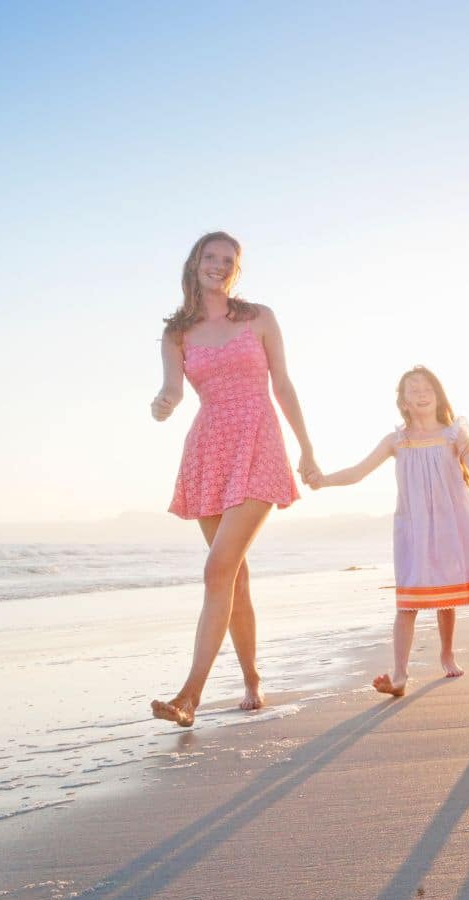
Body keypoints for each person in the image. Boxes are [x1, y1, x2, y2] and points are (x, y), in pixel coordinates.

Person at [148, 231, 319, 727]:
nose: (218, 266)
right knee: (234, 576)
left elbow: (282, 384)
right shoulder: (176, 333)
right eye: (211, 257)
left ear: (236, 269)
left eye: (229, 260)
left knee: (216, 570)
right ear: (195, 262)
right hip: (209, 451)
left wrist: (306, 447)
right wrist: (162, 406)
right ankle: (251, 679)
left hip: (259, 443)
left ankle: (189, 697)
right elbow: (171, 391)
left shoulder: (259, 317)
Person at [307, 366, 469, 697]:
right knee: (408, 600)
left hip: (448, 524)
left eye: (427, 388)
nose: (421, 393)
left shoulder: (455, 435)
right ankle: (399, 675)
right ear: (403, 402)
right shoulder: (397, 441)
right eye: (413, 390)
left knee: (445, 590)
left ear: (438, 396)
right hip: (413, 528)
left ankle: (447, 652)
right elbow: (358, 472)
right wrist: (323, 480)